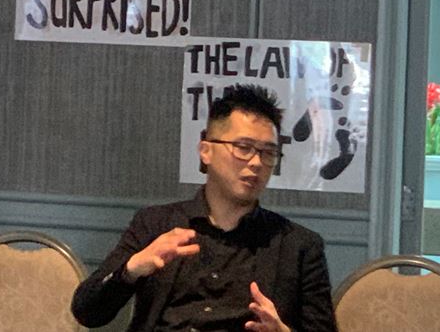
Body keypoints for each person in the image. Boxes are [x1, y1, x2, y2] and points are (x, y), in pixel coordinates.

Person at [71, 84, 337, 332]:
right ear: (205, 151)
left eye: (268, 152)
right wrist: (131, 269)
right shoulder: (155, 224)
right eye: (243, 147)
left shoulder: (299, 246)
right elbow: (88, 312)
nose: (256, 162)